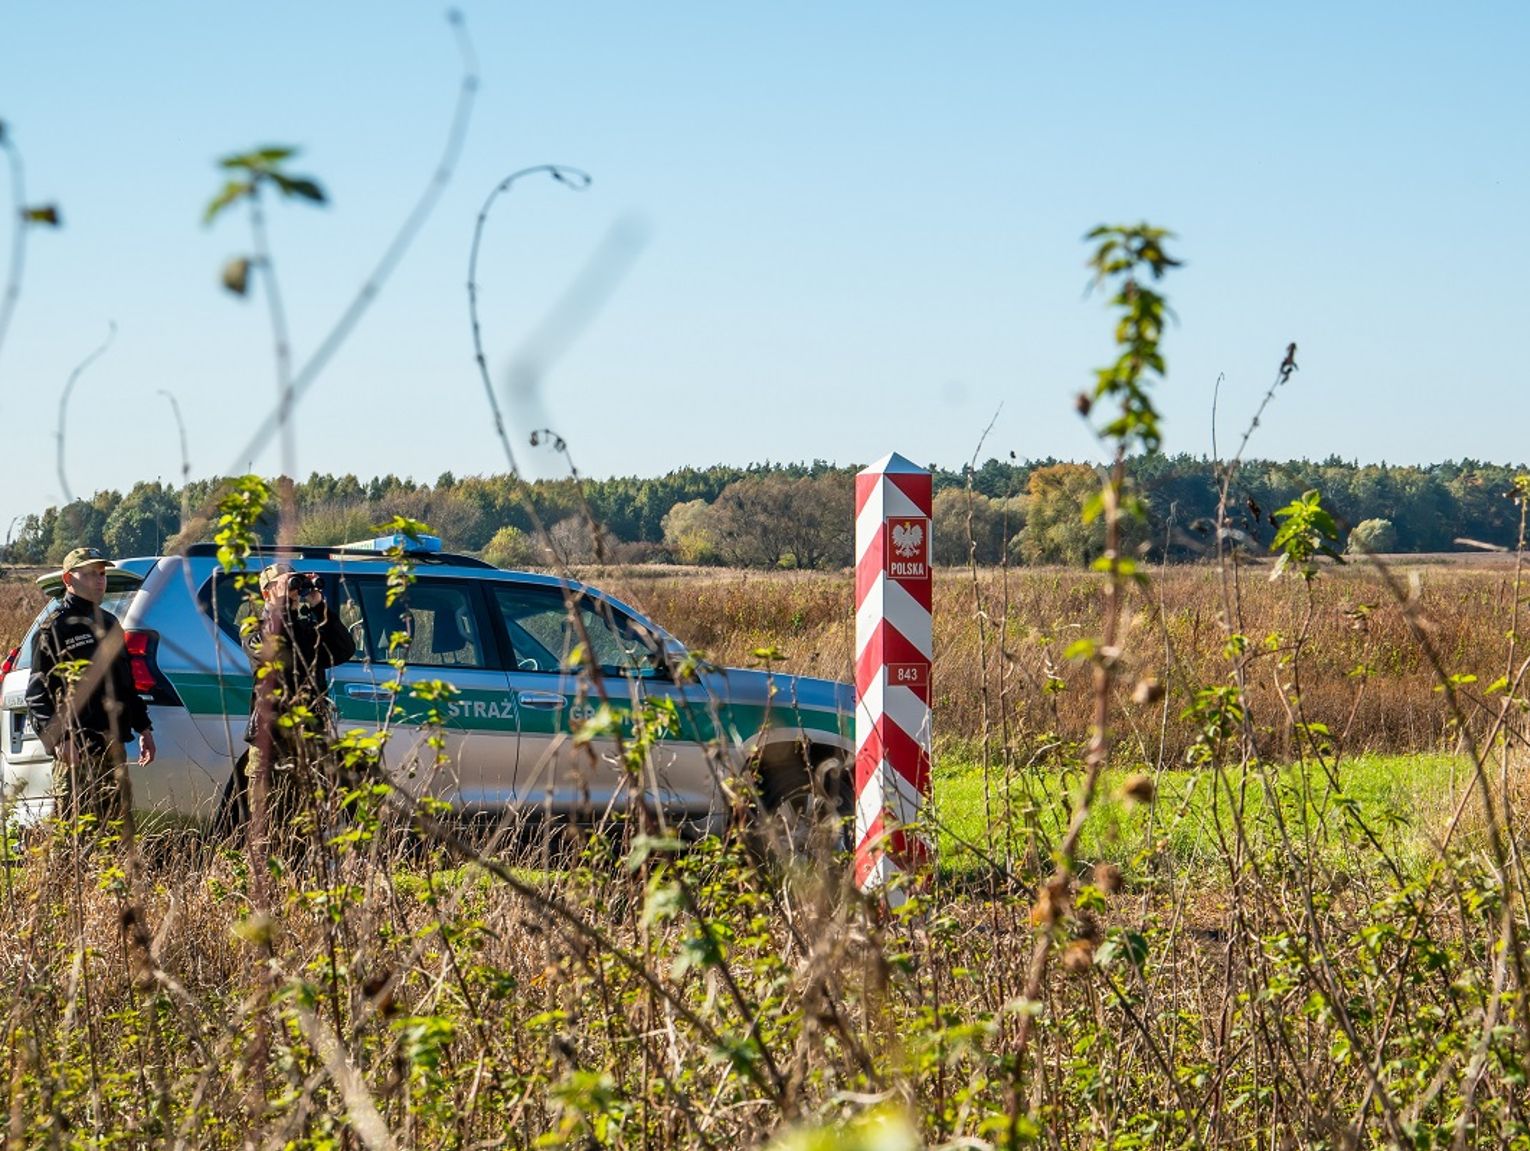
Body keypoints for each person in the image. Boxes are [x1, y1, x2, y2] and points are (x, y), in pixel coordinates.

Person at [216, 562, 355, 844]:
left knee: (306, 826)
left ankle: (297, 877)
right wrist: (277, 608)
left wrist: (318, 605)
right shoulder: (254, 628)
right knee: (263, 823)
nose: (292, 591)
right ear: (267, 593)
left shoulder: (307, 629)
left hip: (308, 737)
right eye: (285, 585)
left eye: (294, 584)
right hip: (270, 737)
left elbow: (343, 649)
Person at [24, 546, 157, 826]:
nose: (100, 580)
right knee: (74, 836)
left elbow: (126, 684)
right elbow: (37, 694)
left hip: (112, 747)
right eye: (90, 574)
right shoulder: (54, 629)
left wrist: (144, 728)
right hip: (77, 752)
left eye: (102, 574)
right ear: (68, 580)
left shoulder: (110, 624)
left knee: (116, 835)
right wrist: (59, 740)